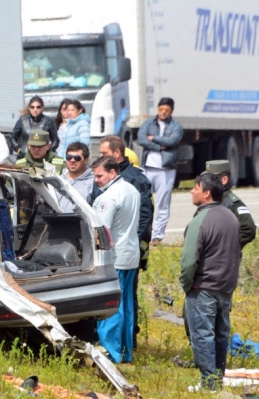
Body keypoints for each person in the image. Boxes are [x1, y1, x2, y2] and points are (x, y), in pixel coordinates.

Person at [181, 173, 241, 392]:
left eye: (195, 188)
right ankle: (217, 380)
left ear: (206, 192)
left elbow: (189, 261)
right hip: (225, 287)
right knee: (220, 334)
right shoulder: (231, 217)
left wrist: (187, 285)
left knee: (203, 335)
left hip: (203, 288)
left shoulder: (200, 220)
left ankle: (209, 384)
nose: (191, 191)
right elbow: (236, 253)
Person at [98, 135, 153, 347]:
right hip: (120, 250)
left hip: (123, 251)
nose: (101, 156)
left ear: (117, 153)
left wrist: (133, 240)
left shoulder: (135, 179)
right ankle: (122, 344)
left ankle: (123, 343)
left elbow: (144, 217)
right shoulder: (104, 175)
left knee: (123, 299)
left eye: (104, 153)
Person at [91, 156, 140, 364]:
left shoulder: (108, 197)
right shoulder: (132, 190)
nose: (96, 180)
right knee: (127, 306)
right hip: (131, 255)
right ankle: (126, 351)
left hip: (115, 258)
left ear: (112, 173)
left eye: (99, 175)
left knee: (111, 307)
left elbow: (102, 232)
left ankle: (111, 351)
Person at [137, 97, 183, 247]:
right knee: (143, 201)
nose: (163, 113)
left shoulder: (176, 126)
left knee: (163, 202)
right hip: (148, 167)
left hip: (166, 169)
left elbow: (173, 141)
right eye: (161, 109)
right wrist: (159, 146)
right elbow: (141, 139)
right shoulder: (148, 124)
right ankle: (143, 232)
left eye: (166, 110)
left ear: (171, 111)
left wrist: (154, 138)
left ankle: (157, 236)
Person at [204, 160, 257, 248]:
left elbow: (248, 229)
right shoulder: (209, 199)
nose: (205, 183)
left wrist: (224, 246)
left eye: (210, 179)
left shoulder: (233, 204)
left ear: (224, 180)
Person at [57, 142, 93, 213]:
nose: (72, 160)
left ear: (86, 160)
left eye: (77, 158)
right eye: (69, 157)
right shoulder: (58, 180)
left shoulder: (94, 182)